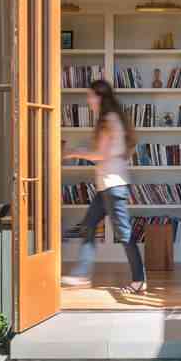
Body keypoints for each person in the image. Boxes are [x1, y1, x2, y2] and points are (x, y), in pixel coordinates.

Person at [64, 79, 147, 293]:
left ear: (99, 97)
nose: (88, 100)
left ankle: (139, 280)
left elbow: (101, 154)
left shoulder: (108, 120)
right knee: (89, 224)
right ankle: (82, 274)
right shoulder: (115, 118)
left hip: (112, 185)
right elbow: (117, 151)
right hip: (108, 184)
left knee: (124, 233)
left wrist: (74, 152)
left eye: (90, 95)